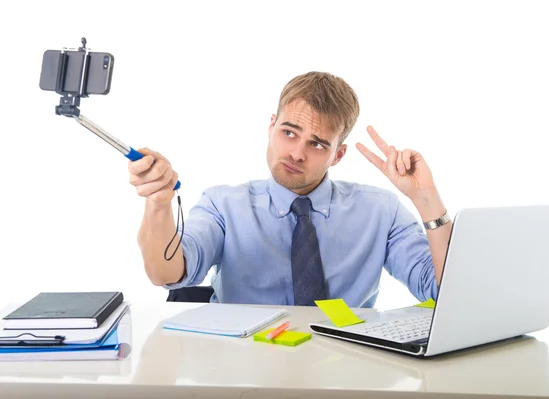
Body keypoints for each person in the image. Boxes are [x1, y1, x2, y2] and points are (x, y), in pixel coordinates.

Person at [129, 71, 452, 307]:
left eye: (317, 143)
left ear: (337, 155)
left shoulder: (381, 211)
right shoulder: (223, 204)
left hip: (346, 367)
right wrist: (159, 203)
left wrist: (426, 200)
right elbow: (167, 274)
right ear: (272, 126)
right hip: (242, 363)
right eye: (289, 132)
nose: (297, 153)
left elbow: (444, 291)